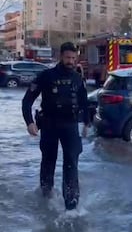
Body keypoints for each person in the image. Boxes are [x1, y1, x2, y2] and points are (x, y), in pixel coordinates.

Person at [21, 42, 90, 211]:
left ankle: (71, 204)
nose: (71, 61)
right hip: (50, 125)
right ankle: (46, 196)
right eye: (68, 57)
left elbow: (84, 103)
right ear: (61, 56)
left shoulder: (77, 78)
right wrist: (29, 122)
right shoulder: (46, 76)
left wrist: (87, 123)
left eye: (74, 58)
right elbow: (27, 100)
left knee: (71, 163)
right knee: (48, 161)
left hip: (70, 126)